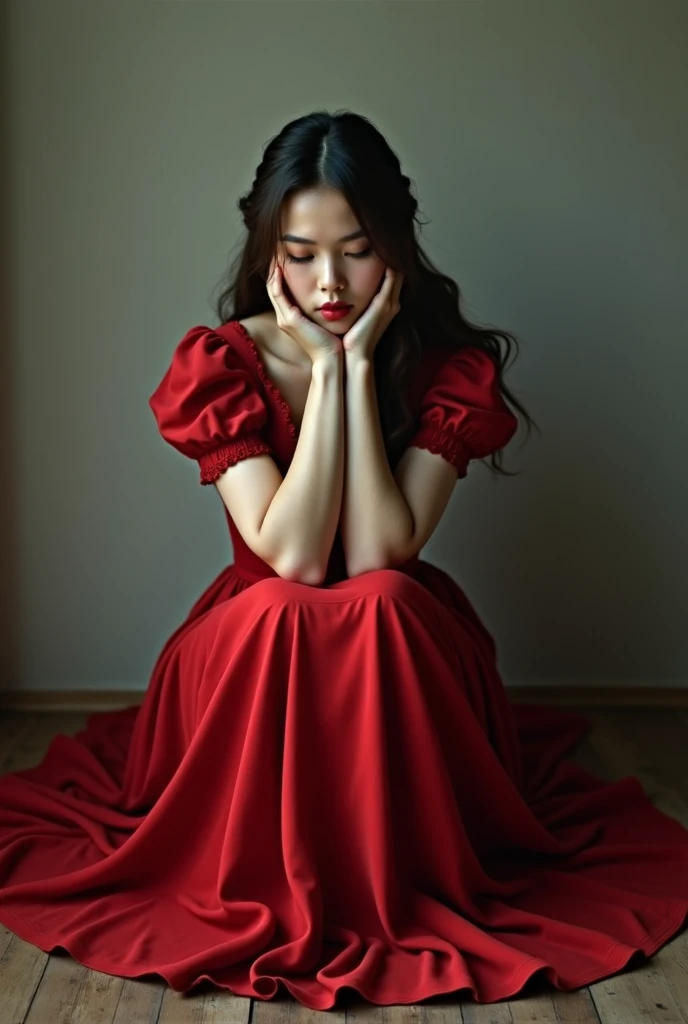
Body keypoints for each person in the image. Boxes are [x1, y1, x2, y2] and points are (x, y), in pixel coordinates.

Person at [0, 109, 686, 1013]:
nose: (329, 284)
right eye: (301, 253)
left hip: (391, 631)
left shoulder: (446, 368)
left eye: (356, 251)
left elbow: (375, 551)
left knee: (388, 600)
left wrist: (353, 369)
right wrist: (321, 373)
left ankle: (392, 869)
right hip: (251, 633)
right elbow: (289, 557)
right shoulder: (223, 362)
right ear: (269, 255)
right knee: (288, 608)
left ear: (396, 247)